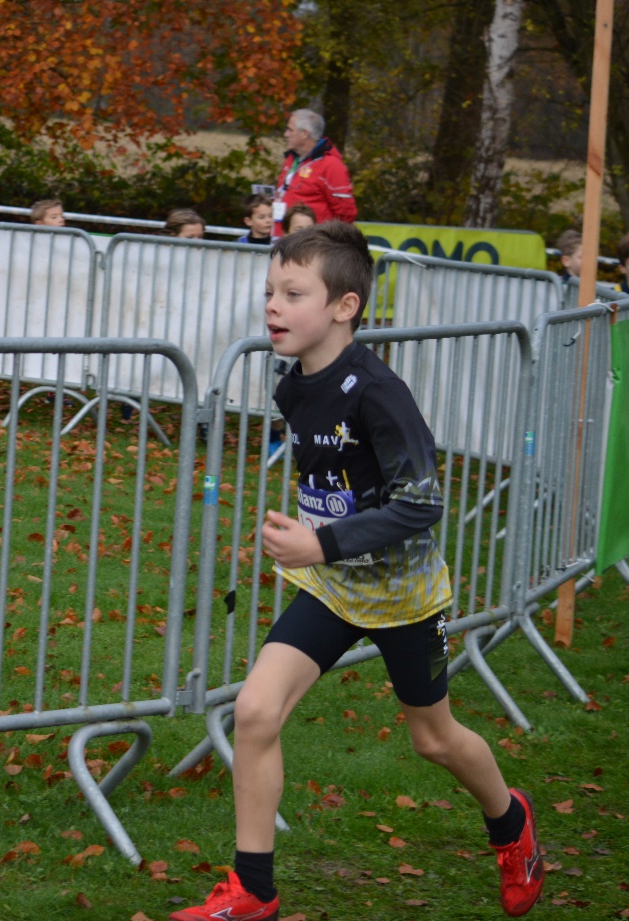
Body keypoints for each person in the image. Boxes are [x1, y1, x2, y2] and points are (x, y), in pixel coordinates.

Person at [170, 221, 543, 921]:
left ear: (344, 305)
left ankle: (510, 821)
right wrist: (312, 534)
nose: (272, 306)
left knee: (433, 737)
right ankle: (254, 888)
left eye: (293, 292)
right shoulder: (294, 386)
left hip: (403, 595)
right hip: (336, 587)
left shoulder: (380, 393)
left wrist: (324, 540)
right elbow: (337, 482)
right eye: (269, 291)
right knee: (254, 710)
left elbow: (422, 504)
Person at [273, 109, 356, 236]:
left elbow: (346, 214)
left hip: (312, 247)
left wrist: (326, 242)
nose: (286, 134)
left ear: (304, 133)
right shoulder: (291, 160)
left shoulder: (331, 165)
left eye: (290, 130)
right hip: (284, 242)